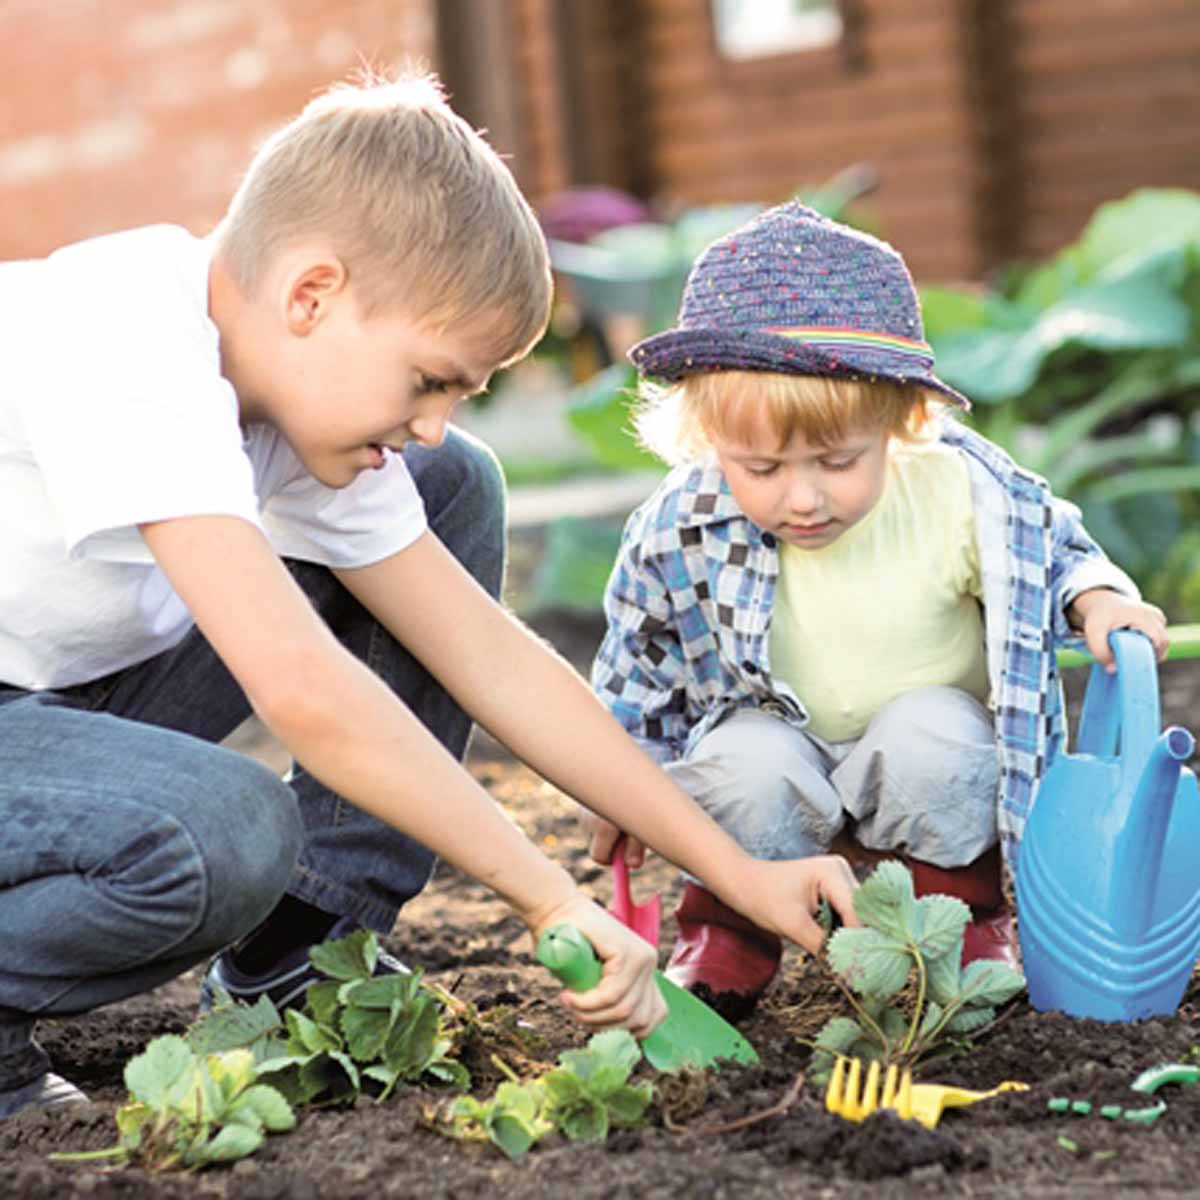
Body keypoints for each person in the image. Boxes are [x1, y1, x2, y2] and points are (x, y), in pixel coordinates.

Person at [0, 75, 861, 1121]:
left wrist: (736, 871)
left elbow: (486, 656)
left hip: (47, 708)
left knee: (451, 490)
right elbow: (303, 693)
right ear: (312, 295)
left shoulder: (283, 385)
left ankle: (301, 957)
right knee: (220, 836)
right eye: (429, 381)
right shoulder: (126, 339)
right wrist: (549, 896)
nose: (434, 421)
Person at [586, 200, 1169, 1015]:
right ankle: (728, 932)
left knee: (938, 735)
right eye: (761, 468)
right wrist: (620, 780)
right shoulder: (680, 521)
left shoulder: (963, 491)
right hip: (778, 742)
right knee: (737, 767)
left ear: (901, 416)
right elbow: (639, 661)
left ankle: (955, 923)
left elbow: (1056, 548)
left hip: (921, 760)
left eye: (837, 461)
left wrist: (1099, 599)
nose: (803, 497)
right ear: (707, 442)